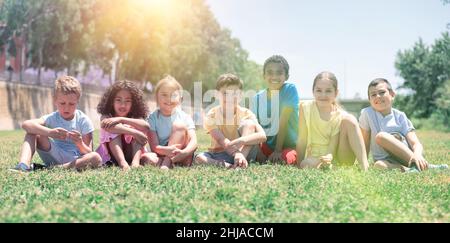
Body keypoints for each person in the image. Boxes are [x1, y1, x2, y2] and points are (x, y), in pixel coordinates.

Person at [10, 76, 102, 172]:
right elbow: (26, 124)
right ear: (55, 101)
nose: (66, 108)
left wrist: (80, 143)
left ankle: (53, 169)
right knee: (34, 132)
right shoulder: (52, 118)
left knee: (96, 157)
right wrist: (50, 132)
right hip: (54, 156)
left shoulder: (83, 120)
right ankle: (23, 166)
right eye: (62, 103)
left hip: (76, 160)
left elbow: (89, 152)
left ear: (77, 102)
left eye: (71, 104)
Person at [359, 78, 448, 172]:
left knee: (381, 136)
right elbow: (365, 143)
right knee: (378, 165)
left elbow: (415, 143)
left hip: (407, 157)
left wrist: (417, 155)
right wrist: (364, 164)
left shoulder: (400, 116)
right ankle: (411, 169)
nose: (377, 96)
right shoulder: (367, 113)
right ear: (369, 100)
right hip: (387, 160)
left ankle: (422, 165)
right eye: (373, 94)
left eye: (382, 92)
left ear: (392, 94)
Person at [297, 71, 369, 171]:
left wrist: (329, 157)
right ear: (313, 91)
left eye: (328, 91)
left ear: (336, 93)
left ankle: (364, 166)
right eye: (319, 90)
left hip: (339, 156)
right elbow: (302, 139)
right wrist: (298, 164)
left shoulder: (339, 115)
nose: (323, 95)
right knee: (306, 163)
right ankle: (334, 169)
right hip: (314, 158)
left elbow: (333, 143)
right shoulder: (305, 107)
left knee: (350, 119)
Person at [195, 73, 266, 169]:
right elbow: (221, 140)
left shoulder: (246, 113)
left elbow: (262, 136)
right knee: (199, 158)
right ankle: (228, 165)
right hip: (220, 153)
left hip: (244, 151)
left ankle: (240, 160)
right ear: (216, 95)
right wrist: (235, 153)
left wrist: (241, 142)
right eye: (225, 93)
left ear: (240, 95)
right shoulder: (212, 114)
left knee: (249, 124)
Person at [96, 80, 157, 171]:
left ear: (133, 104)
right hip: (111, 156)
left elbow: (146, 126)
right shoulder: (107, 115)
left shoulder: (135, 117)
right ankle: (123, 163)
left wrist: (121, 119)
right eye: (118, 100)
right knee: (112, 129)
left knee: (139, 128)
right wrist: (134, 132)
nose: (123, 105)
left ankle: (135, 163)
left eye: (127, 101)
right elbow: (106, 125)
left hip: (130, 154)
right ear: (112, 101)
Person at [250, 55, 298, 165]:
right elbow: (254, 126)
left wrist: (277, 151)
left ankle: (280, 155)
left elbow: (283, 121)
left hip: (288, 146)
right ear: (264, 76)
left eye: (279, 73)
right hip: (266, 145)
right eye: (270, 72)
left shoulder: (289, 90)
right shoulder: (257, 98)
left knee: (283, 160)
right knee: (249, 155)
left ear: (286, 76)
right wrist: (258, 151)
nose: (274, 76)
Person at [145, 75, 198, 170]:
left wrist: (184, 153)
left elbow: (194, 142)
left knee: (179, 126)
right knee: (147, 158)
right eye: (164, 95)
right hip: (162, 153)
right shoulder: (152, 118)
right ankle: (167, 162)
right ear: (157, 97)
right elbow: (154, 147)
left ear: (180, 98)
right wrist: (167, 150)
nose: (169, 98)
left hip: (182, 156)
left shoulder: (185, 117)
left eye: (173, 95)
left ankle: (166, 163)